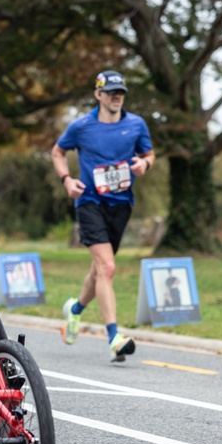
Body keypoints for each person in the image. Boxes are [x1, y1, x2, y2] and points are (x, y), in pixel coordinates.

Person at [52, 70, 155, 362]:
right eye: (111, 92)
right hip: (89, 202)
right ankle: (114, 337)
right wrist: (67, 180)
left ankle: (74, 310)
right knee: (107, 267)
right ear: (98, 95)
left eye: (120, 91)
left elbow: (149, 155)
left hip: (121, 204)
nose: (116, 96)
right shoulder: (81, 126)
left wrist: (144, 165)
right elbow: (57, 152)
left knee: (99, 270)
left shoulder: (136, 124)